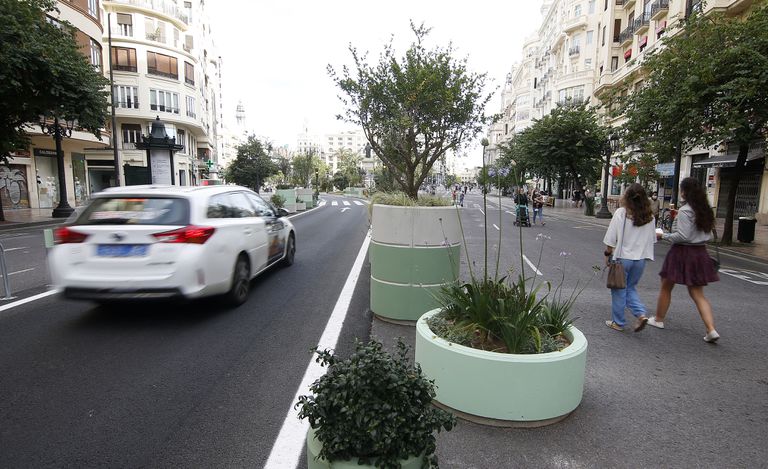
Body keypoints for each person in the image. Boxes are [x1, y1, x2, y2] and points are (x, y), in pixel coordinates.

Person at [650, 177, 720, 343]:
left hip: (682, 253)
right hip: (700, 252)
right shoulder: (705, 209)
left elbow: (682, 236)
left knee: (666, 286)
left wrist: (663, 235)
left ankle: (659, 319)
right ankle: (711, 329)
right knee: (697, 293)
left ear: (684, 191)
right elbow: (709, 235)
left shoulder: (685, 210)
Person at [603, 183, 657, 332]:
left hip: (622, 258)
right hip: (640, 260)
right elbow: (652, 239)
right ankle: (640, 314)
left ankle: (618, 322)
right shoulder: (649, 216)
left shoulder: (622, 213)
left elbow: (611, 238)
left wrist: (607, 254)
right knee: (630, 288)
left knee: (619, 289)